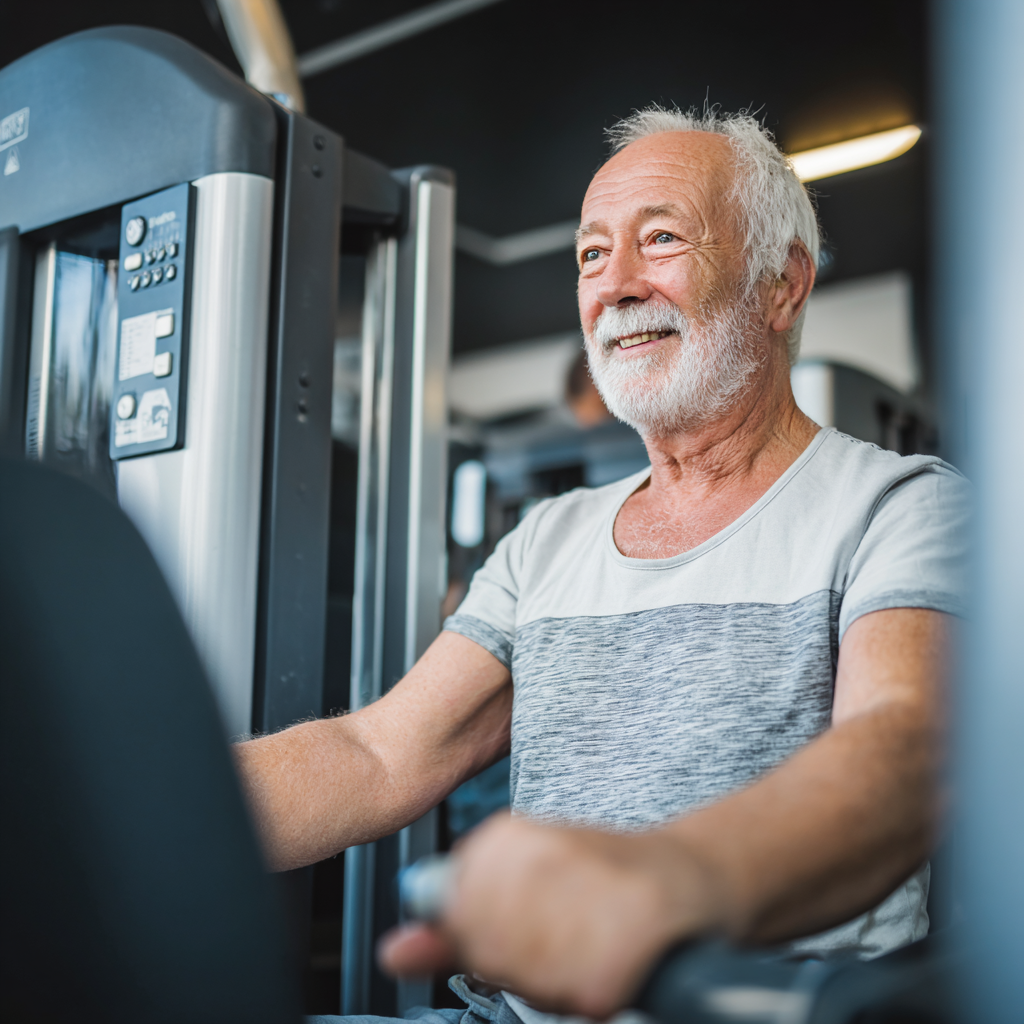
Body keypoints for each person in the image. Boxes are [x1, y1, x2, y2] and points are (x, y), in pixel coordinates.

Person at [234, 106, 968, 1022]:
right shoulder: (549, 539)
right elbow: (378, 753)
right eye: (589, 255)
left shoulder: (899, 506)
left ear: (780, 285)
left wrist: (667, 880)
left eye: (660, 239)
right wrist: (136, 813)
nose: (614, 285)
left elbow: (905, 755)